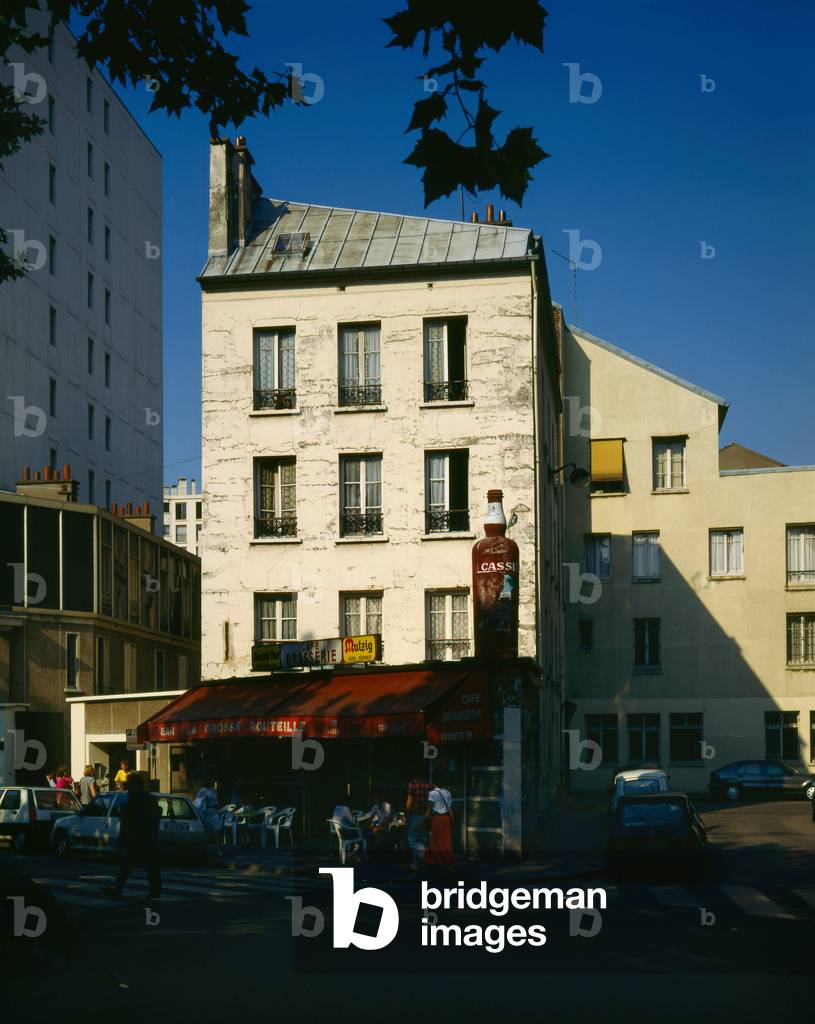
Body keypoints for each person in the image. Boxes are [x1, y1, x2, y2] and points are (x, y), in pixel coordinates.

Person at [104, 774, 162, 902]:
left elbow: (127, 822)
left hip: (137, 838)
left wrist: (122, 840)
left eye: (129, 784)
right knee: (149, 865)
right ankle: (155, 890)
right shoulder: (150, 799)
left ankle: (118, 887)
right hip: (148, 838)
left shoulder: (134, 801)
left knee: (129, 864)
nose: (127, 788)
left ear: (135, 785)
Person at [422, 778, 455, 874]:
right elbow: (450, 808)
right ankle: (450, 867)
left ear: (433, 782)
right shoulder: (448, 792)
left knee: (435, 842)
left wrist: (422, 822)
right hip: (446, 819)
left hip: (437, 819)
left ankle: (434, 865)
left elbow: (429, 810)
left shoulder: (432, 793)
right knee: (446, 843)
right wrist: (452, 820)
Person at [405, 776, 433, 871]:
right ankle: (415, 864)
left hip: (415, 814)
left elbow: (410, 800)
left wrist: (407, 814)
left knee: (412, 840)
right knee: (421, 840)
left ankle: (429, 859)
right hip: (425, 815)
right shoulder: (429, 786)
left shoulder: (412, 784)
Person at [194, 780, 222, 852]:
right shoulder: (202, 791)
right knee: (206, 831)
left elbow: (217, 801)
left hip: (214, 812)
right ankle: (205, 848)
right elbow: (197, 801)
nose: (212, 783)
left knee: (217, 830)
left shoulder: (213, 790)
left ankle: (218, 848)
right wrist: (203, 799)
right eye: (211, 782)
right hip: (207, 812)